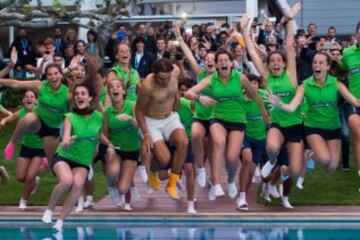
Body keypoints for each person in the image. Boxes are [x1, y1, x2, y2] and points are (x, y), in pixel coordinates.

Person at [185, 49, 268, 201]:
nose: (223, 63)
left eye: (226, 60)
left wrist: (264, 114)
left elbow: (255, 95)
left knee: (231, 158)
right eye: (220, 61)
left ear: (231, 63)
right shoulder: (212, 79)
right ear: (216, 64)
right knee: (218, 141)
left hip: (238, 120)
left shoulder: (240, 78)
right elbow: (188, 93)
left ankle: (230, 180)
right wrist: (199, 98)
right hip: (218, 118)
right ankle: (216, 183)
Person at [239, 3, 304, 178]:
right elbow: (252, 54)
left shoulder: (291, 74)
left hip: (295, 122)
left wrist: (289, 20)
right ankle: (273, 161)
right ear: (268, 65)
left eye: (278, 61)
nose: (275, 63)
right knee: (272, 148)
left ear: (284, 63)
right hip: (277, 123)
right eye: (272, 61)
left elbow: (289, 45)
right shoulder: (266, 77)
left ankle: (285, 172)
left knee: (295, 169)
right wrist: (244, 30)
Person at [267, 51, 360, 171]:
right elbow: (291, 107)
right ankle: (309, 154)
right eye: (315, 62)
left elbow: (355, 102)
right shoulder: (304, 86)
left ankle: (307, 157)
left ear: (327, 66)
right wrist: (279, 103)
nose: (317, 65)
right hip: (313, 127)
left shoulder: (336, 84)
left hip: (333, 127)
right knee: (325, 159)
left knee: (331, 167)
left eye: (321, 63)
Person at [41, 83, 113, 231]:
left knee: (77, 185)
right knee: (67, 181)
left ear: (89, 98)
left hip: (82, 161)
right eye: (77, 94)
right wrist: (68, 142)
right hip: (64, 156)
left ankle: (60, 221)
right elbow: (65, 139)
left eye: (83, 93)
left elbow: (98, 134)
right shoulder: (69, 117)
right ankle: (49, 210)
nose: (79, 96)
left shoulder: (98, 117)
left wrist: (109, 144)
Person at [135, 58, 187, 200]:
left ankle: (172, 184)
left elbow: (176, 85)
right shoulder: (147, 86)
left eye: (167, 78)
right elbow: (138, 110)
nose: (165, 82)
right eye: (161, 79)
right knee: (164, 159)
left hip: (170, 117)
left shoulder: (175, 72)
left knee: (183, 143)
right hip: (151, 122)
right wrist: (145, 134)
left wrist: (176, 97)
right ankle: (152, 171)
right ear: (154, 74)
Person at [174, 22, 216, 188]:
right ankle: (201, 169)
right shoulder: (201, 74)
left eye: (212, 59)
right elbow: (190, 56)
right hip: (200, 116)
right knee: (197, 137)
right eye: (207, 59)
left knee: (213, 151)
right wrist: (179, 37)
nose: (209, 61)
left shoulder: (225, 78)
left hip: (216, 118)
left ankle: (214, 179)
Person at [0, 63, 69, 162]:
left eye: (55, 73)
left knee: (53, 164)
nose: (53, 76)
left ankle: (45, 162)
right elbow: (16, 83)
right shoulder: (41, 85)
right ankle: (12, 143)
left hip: (53, 129)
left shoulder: (67, 93)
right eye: (49, 74)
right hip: (38, 121)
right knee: (28, 118)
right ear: (46, 77)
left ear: (61, 75)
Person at [0, 90, 44, 209]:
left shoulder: (41, 113)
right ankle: (35, 181)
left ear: (36, 101)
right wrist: (3, 122)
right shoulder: (21, 113)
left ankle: (23, 201)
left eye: (32, 97)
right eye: (27, 97)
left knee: (30, 176)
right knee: (20, 177)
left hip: (40, 149)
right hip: (26, 147)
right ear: (24, 101)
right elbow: (9, 119)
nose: (29, 98)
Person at [104, 79, 142, 211]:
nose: (115, 89)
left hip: (132, 150)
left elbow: (143, 128)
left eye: (118, 86)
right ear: (109, 92)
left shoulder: (132, 106)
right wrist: (108, 144)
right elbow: (102, 133)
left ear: (124, 91)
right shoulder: (106, 112)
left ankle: (127, 200)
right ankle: (110, 187)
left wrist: (132, 120)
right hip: (116, 149)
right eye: (111, 87)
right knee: (113, 172)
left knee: (123, 188)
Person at [337, 22, 360, 178]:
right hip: (353, 102)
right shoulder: (347, 53)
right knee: (358, 133)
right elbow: (341, 69)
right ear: (356, 33)